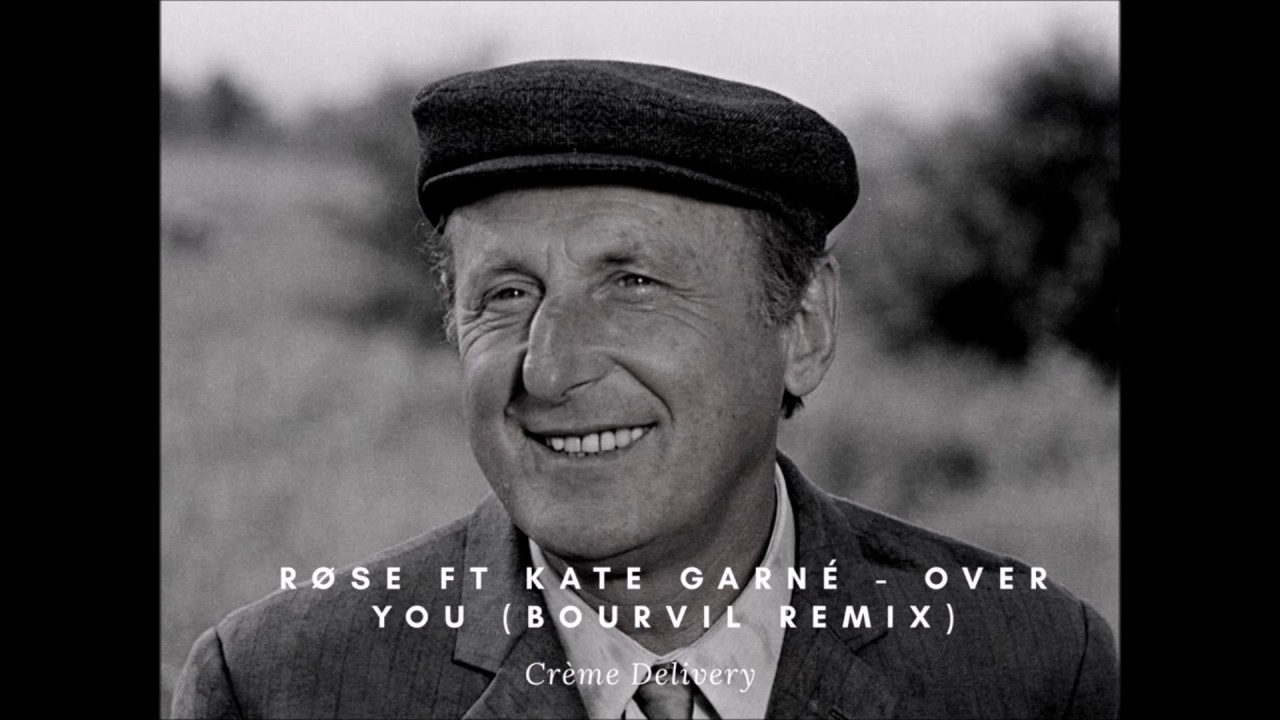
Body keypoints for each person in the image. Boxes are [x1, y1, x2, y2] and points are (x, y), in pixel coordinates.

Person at [172, 59, 1118, 719]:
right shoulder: (276, 687)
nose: (548, 370)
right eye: (506, 296)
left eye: (633, 284)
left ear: (804, 326)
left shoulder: (1035, 668)